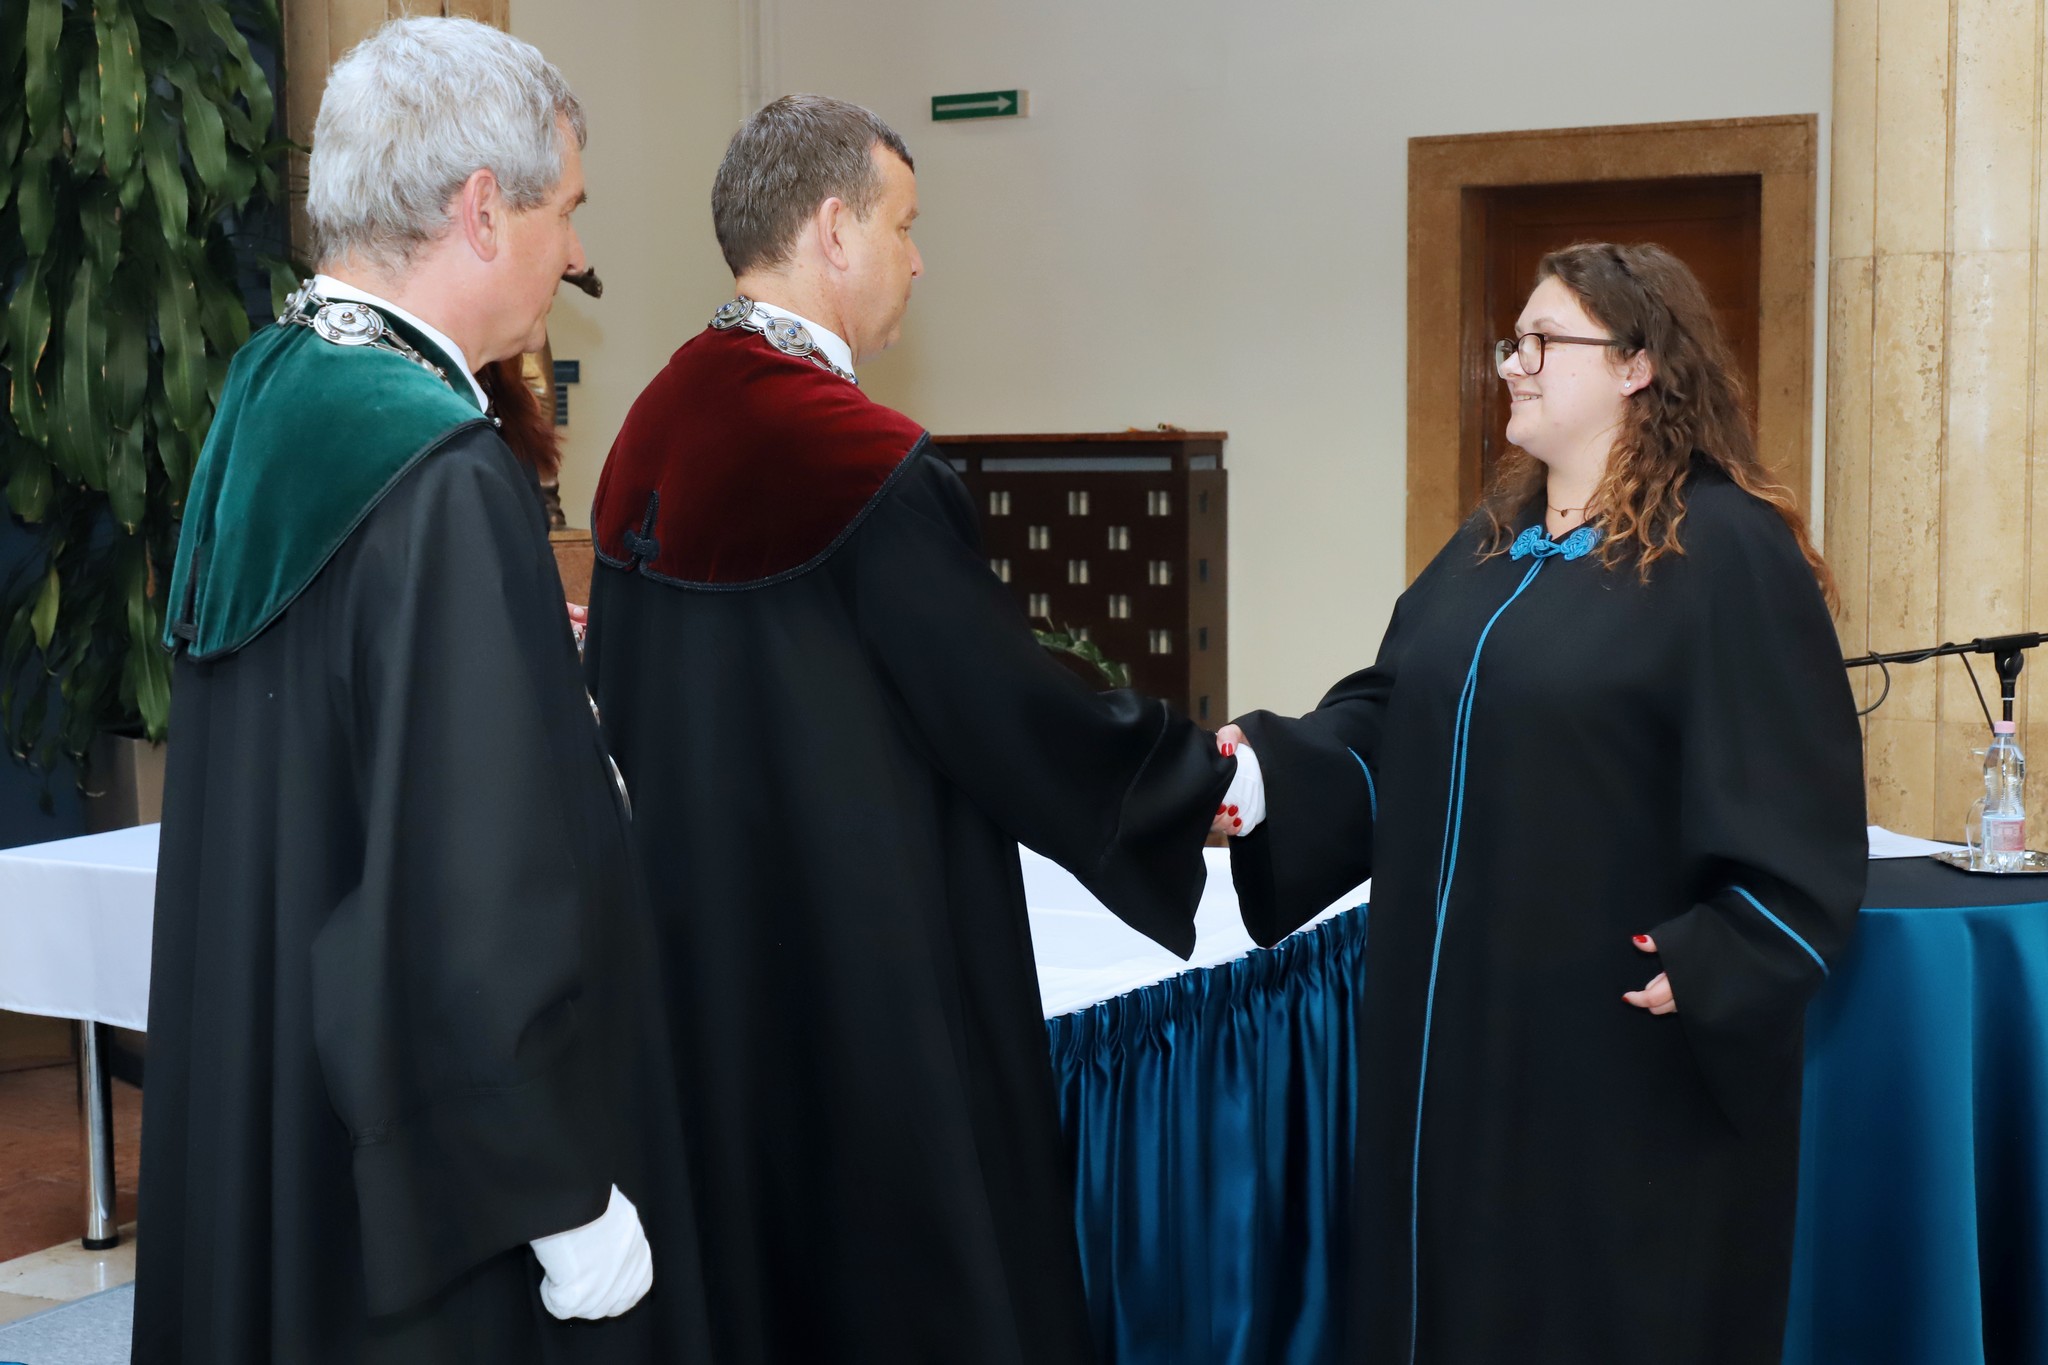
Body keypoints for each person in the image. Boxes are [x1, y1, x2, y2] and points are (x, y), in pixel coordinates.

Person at [581, 94, 1252, 1363]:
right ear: (834, 230)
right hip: (860, 980)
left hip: (703, 977)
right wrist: (1188, 779)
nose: (917, 259)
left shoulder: (649, 428)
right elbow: (1004, 712)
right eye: (904, 225)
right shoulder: (853, 457)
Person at [133, 19, 711, 1363]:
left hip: (296, 1102)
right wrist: (559, 1196)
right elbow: (471, 884)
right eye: (566, 211)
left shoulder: (271, 389)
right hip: (435, 1191)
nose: (575, 251)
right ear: (481, 209)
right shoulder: (438, 472)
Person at [1218, 243, 1866, 1363]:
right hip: (1450, 1029)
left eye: (1541, 341)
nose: (1510, 364)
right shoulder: (1487, 543)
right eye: (1509, 341)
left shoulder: (1725, 548)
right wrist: (1263, 774)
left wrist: (1723, 956)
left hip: (1607, 1042)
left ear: (1636, 365)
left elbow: (1800, 791)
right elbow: (1391, 714)